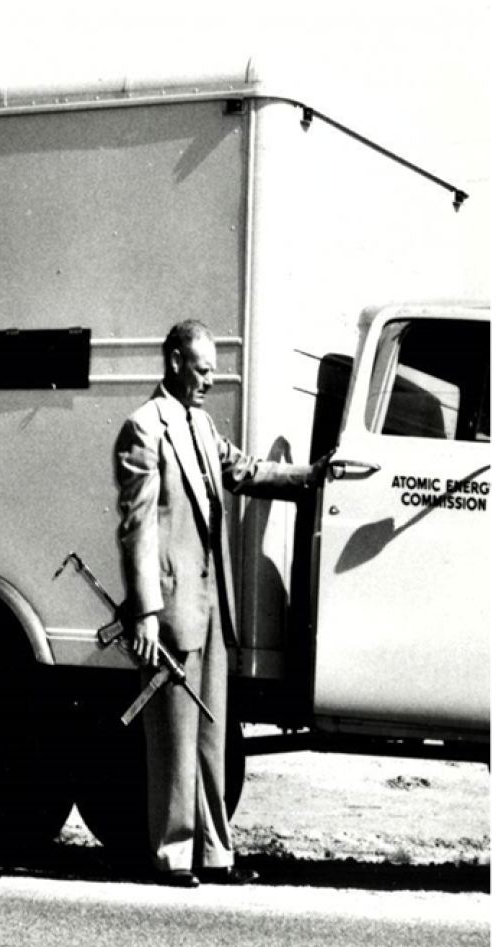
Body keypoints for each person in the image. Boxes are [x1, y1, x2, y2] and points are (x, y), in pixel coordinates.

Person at [113, 319, 326, 888]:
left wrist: (313, 476)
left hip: (212, 608)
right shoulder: (144, 428)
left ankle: (214, 852)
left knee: (211, 737)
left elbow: (243, 470)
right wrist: (145, 612)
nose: (210, 379)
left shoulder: (202, 425)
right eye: (202, 369)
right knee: (173, 740)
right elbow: (137, 529)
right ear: (176, 362)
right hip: (173, 609)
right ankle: (172, 855)